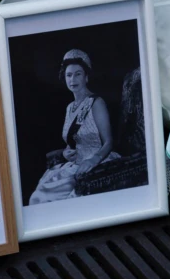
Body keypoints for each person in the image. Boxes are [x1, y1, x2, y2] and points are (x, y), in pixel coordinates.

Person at [29, 49, 121, 205]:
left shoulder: (96, 103)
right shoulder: (70, 107)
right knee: (38, 196)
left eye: (78, 74)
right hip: (76, 164)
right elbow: (73, 141)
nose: (73, 79)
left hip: (97, 162)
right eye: (69, 75)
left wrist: (93, 160)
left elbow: (109, 142)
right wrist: (66, 153)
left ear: (86, 77)